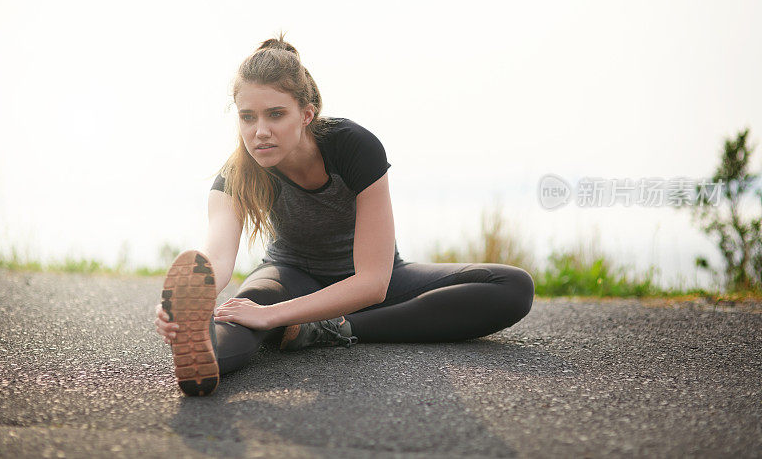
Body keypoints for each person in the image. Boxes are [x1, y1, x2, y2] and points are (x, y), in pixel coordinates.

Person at [153, 33, 535, 397]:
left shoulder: (354, 148)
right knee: (244, 312)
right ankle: (208, 351)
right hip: (289, 276)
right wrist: (189, 306)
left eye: (275, 114)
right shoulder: (237, 173)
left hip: (371, 286)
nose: (260, 131)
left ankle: (329, 329)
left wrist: (276, 317)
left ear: (306, 114)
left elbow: (372, 283)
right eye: (247, 117)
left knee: (512, 287)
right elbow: (216, 260)